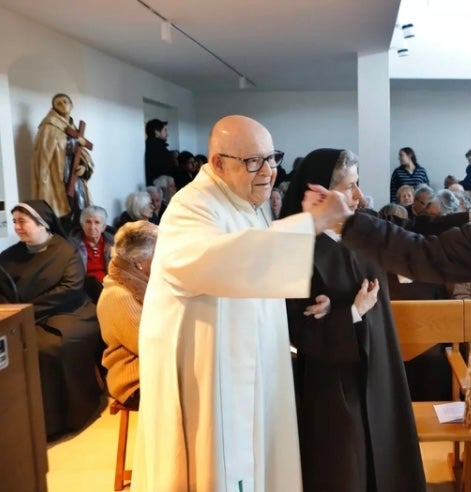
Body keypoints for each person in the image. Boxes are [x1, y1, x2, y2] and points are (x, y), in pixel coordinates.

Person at [130, 115, 350, 492]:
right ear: (218, 163)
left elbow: (263, 263)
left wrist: (305, 221)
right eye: (253, 161)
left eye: (272, 158)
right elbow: (216, 260)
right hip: (212, 371)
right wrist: (308, 225)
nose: (268, 171)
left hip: (250, 361)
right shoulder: (191, 206)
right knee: (218, 465)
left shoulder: (246, 200)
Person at [280, 148, 425, 492]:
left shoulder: (364, 230)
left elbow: (412, 250)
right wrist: (351, 312)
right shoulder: (298, 248)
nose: (358, 195)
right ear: (320, 193)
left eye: (357, 184)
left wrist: (343, 306)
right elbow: (298, 329)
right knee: (347, 468)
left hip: (380, 363)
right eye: (348, 186)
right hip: (335, 384)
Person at [0, 200, 103, 439]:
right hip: (23, 315)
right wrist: (17, 313)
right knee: (14, 348)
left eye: (22, 221)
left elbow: (69, 289)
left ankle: (64, 419)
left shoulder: (65, 252)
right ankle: (23, 421)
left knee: (48, 348)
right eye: (14, 221)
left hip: (69, 312)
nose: (17, 227)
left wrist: (27, 310)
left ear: (42, 223)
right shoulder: (9, 257)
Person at [97, 221, 158, 410]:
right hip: (134, 381)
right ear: (140, 262)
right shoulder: (120, 296)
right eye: (159, 253)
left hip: (153, 370)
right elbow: (150, 346)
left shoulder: (138, 283)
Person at [32, 93, 94, 232]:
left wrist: (84, 167)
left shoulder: (72, 127)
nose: (62, 105)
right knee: (62, 215)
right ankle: (65, 240)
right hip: (57, 179)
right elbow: (47, 150)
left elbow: (83, 153)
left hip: (75, 177)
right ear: (54, 108)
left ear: (71, 105)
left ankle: (78, 239)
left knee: (80, 209)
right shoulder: (49, 125)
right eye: (58, 103)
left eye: (65, 101)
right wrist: (75, 142)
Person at [69, 205, 114, 302]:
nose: (92, 227)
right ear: (82, 225)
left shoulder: (112, 242)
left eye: (97, 222)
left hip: (110, 285)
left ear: (103, 227)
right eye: (88, 222)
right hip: (84, 288)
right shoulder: (72, 245)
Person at [144, 118, 175, 185]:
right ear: (156, 132)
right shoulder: (159, 149)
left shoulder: (147, 146)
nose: (167, 134)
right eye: (165, 130)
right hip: (161, 187)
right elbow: (165, 171)